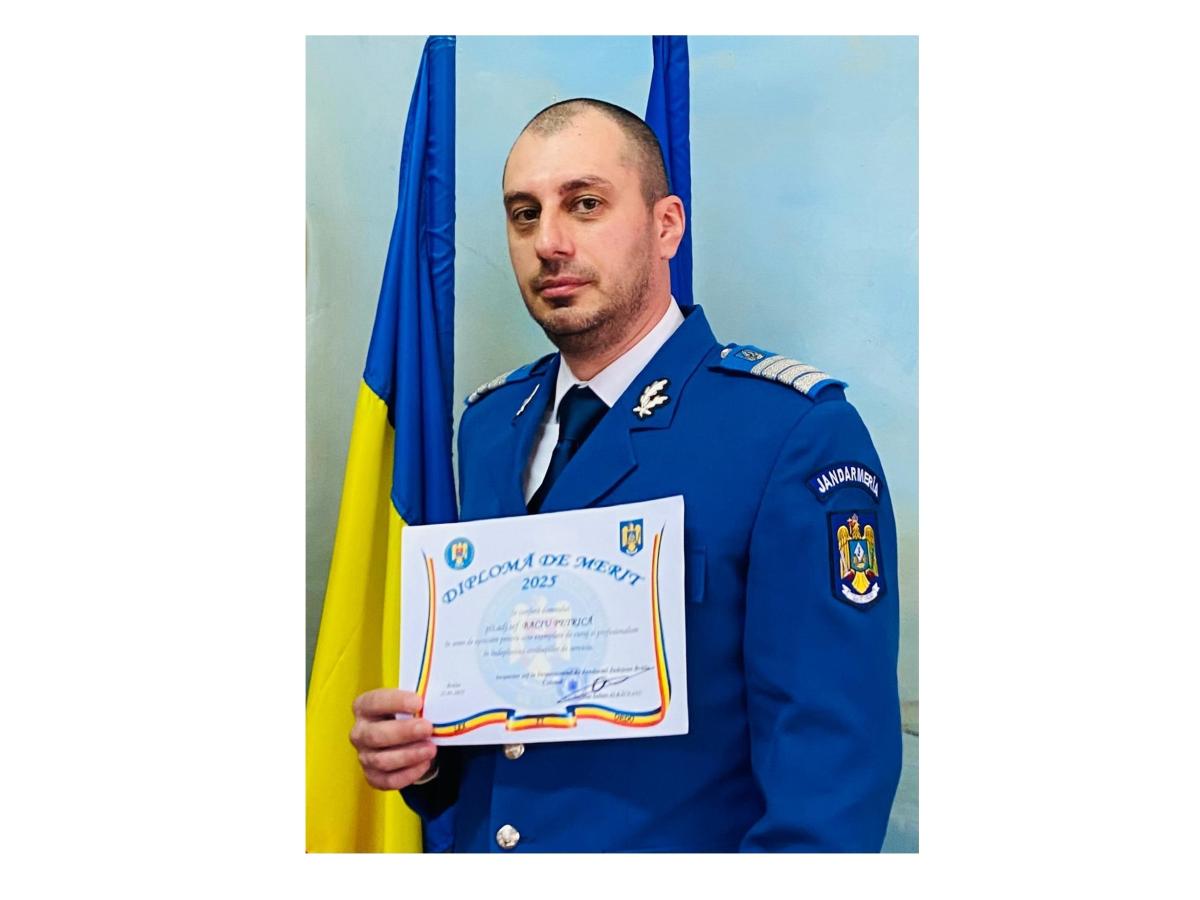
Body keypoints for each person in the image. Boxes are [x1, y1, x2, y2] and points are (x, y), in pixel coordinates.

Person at [350, 98, 901, 852]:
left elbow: (830, 785)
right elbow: (508, 729)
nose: (549, 242)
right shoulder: (489, 427)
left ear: (666, 225)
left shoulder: (789, 434)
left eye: (585, 204)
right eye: (524, 214)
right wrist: (426, 757)